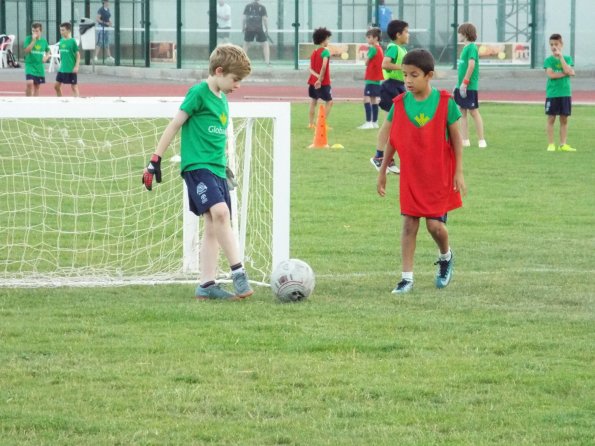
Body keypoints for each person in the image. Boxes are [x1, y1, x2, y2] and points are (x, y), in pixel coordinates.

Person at [142, 44, 254, 301]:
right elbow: (174, 125)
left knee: (214, 227)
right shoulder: (198, 93)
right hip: (197, 168)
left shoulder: (222, 100)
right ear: (219, 71)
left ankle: (206, 284)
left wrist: (225, 166)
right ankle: (239, 273)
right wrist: (154, 160)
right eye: (235, 79)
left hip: (216, 169)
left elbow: (218, 137)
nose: (238, 85)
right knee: (221, 213)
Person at [376, 49, 465, 294]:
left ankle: (446, 256)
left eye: (414, 75)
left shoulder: (446, 102)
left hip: (438, 176)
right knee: (409, 224)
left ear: (429, 75)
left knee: (435, 227)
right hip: (411, 176)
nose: (407, 81)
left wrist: (459, 171)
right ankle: (406, 278)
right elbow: (392, 139)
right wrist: (383, 170)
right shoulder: (400, 104)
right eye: (405, 75)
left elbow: (457, 140)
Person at [371, 19, 409, 172]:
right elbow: (385, 64)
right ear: (398, 34)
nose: (408, 34)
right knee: (390, 124)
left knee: (398, 126)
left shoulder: (402, 50)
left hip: (400, 87)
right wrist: (403, 67)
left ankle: (388, 159)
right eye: (406, 31)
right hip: (391, 86)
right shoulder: (393, 48)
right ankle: (379, 157)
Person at [453, 22, 486, 148]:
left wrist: (465, 83)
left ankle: (481, 140)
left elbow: (471, 65)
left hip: (469, 86)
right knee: (462, 112)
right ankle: (465, 139)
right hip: (461, 85)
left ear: (465, 34)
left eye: (460, 33)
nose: (458, 35)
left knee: (474, 112)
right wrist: (458, 85)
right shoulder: (465, 48)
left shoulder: (472, 47)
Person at [544, 33, 576, 152]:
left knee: (564, 119)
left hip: (565, 93)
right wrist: (566, 73)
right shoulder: (548, 60)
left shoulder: (567, 58)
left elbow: (568, 69)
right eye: (551, 44)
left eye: (556, 44)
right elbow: (551, 75)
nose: (554, 47)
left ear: (561, 45)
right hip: (552, 94)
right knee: (551, 118)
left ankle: (563, 144)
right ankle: (551, 144)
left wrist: (561, 57)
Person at [357, 27, 384, 129]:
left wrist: (366, 59)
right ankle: (375, 122)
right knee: (374, 99)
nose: (367, 40)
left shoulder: (373, 48)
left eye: (369, 37)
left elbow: (366, 62)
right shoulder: (380, 48)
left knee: (366, 98)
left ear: (375, 38)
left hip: (371, 77)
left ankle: (368, 122)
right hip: (377, 79)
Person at [307, 27, 333, 129]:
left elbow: (310, 69)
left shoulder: (314, 52)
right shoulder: (325, 52)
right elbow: (324, 65)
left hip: (312, 81)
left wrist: (316, 77)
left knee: (313, 101)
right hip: (323, 83)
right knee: (329, 102)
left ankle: (311, 123)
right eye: (327, 39)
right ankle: (321, 124)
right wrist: (320, 79)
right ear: (323, 40)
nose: (328, 41)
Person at [23, 22, 50, 97]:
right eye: (33, 31)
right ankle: (28, 101)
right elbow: (26, 51)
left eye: (37, 31)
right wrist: (33, 41)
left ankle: (35, 103)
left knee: (37, 86)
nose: (34, 33)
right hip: (30, 65)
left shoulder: (44, 41)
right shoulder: (28, 39)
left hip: (39, 66)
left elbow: (48, 50)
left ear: (41, 31)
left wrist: (46, 57)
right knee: (29, 83)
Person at [54, 22, 80, 97]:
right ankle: (60, 101)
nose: (61, 32)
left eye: (63, 30)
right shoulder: (61, 41)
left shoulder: (72, 41)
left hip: (71, 69)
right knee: (56, 86)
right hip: (62, 69)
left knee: (74, 87)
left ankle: (77, 103)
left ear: (68, 31)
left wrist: (76, 66)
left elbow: (78, 55)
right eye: (60, 30)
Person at [242, 0, 269, 64]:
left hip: (249, 29)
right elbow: (265, 19)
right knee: (265, 44)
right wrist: (267, 29)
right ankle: (267, 61)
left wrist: (243, 27)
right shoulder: (262, 7)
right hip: (259, 29)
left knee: (246, 44)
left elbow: (244, 18)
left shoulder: (248, 6)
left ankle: (242, 61)